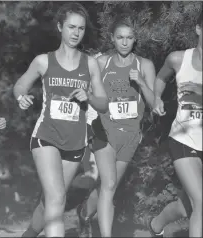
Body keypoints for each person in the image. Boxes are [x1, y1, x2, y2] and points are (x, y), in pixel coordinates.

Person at [13, 2, 108, 237]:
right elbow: (21, 85)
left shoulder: (90, 64)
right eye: (71, 27)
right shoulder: (43, 61)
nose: (76, 33)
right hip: (46, 137)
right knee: (57, 199)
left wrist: (89, 97)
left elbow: (103, 104)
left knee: (51, 202)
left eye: (81, 29)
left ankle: (28, 235)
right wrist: (20, 97)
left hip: (75, 143)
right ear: (60, 27)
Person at [77, 13, 156, 237]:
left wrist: (140, 81)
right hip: (104, 131)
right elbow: (87, 94)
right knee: (109, 184)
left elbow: (153, 103)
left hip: (130, 135)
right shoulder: (102, 63)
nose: (124, 42)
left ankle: (84, 213)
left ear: (134, 39)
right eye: (120, 37)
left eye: (129, 38)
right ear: (112, 39)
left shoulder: (145, 65)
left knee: (107, 187)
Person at [152, 12, 202, 237]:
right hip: (183, 139)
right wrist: (156, 97)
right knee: (201, 202)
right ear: (199, 29)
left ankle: (155, 224)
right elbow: (161, 78)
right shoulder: (178, 59)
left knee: (188, 206)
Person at [21, 104, 99, 238]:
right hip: (60, 143)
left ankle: (84, 217)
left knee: (96, 181)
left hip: (89, 144)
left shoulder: (99, 87)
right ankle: (30, 233)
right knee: (52, 198)